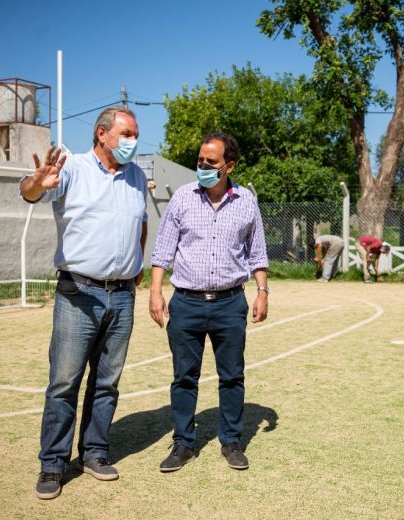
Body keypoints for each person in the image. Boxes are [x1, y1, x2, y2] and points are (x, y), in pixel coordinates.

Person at [20, 107, 148, 500]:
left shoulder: (137, 176)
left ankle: (93, 452)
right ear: (102, 134)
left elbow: (140, 223)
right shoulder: (72, 168)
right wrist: (37, 183)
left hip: (123, 294)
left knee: (107, 382)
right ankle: (52, 465)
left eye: (135, 135)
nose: (133, 142)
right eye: (126, 134)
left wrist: (136, 265)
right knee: (64, 383)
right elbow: (29, 191)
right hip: (79, 292)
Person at [149, 132, 268, 473]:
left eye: (211, 162)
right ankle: (183, 443)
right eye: (200, 160)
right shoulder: (183, 198)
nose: (202, 165)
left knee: (232, 376)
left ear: (229, 165)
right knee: (184, 377)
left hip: (231, 303)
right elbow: (162, 250)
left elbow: (257, 253)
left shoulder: (246, 201)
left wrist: (262, 292)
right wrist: (156, 292)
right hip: (185, 303)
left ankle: (231, 441)